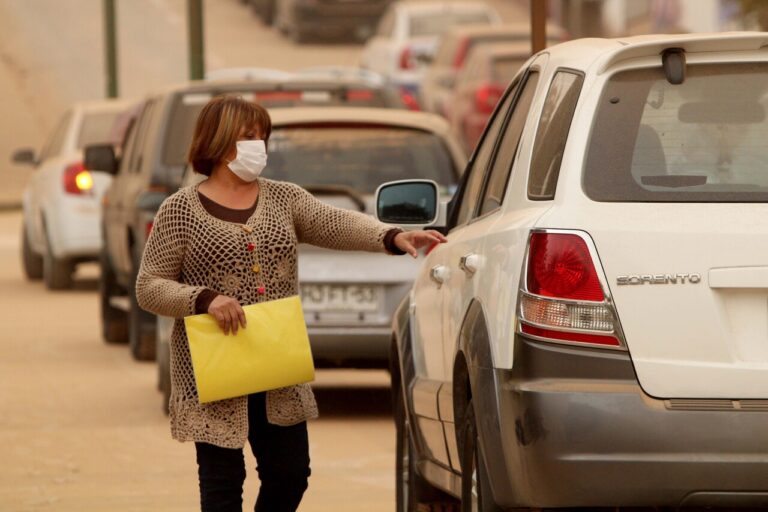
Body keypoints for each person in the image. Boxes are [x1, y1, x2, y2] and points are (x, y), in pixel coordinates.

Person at [135, 95, 446, 512]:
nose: (258, 145)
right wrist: (203, 299)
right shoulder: (180, 211)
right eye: (248, 136)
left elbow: (335, 223)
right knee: (222, 487)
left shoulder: (284, 198)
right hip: (213, 371)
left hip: (275, 364)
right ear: (219, 141)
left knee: (290, 475)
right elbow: (149, 285)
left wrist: (389, 236)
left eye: (263, 136)